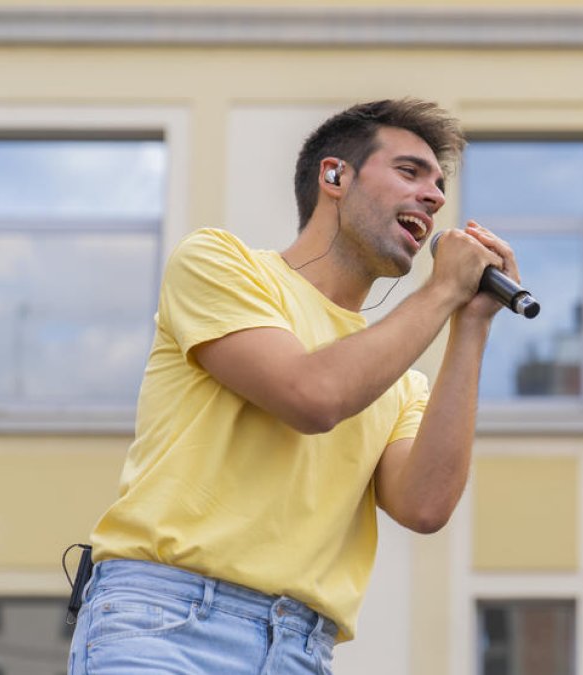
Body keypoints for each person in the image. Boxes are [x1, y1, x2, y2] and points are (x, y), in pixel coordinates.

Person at [67, 98, 516, 674]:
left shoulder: (398, 384)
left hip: (300, 649)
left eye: (439, 185)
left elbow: (426, 507)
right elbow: (312, 396)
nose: (434, 197)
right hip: (167, 623)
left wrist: (471, 323)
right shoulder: (220, 264)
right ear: (334, 175)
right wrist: (441, 292)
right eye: (409, 172)